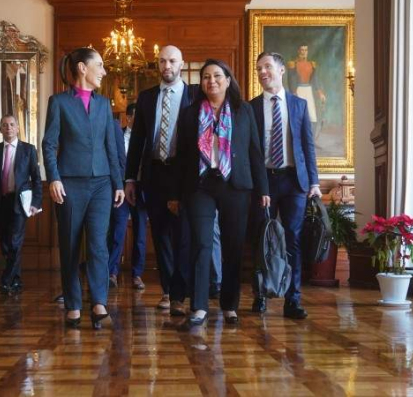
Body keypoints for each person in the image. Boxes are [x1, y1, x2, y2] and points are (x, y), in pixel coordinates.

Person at [172, 59, 269, 326]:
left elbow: (254, 152)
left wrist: (263, 188)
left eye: (217, 76)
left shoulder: (243, 110)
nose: (211, 81)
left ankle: (229, 305)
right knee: (201, 244)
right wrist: (175, 194)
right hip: (200, 186)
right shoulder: (191, 113)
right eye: (205, 77)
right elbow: (181, 157)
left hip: (236, 185)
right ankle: (199, 306)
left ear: (228, 80)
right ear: (200, 83)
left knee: (233, 247)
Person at [42, 47, 125, 329]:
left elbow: (111, 147)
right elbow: (50, 144)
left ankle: (99, 301)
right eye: (99, 65)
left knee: (98, 245)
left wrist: (118, 182)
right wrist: (53, 177)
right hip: (69, 183)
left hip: (102, 183)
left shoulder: (104, 105)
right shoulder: (59, 102)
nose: (103, 71)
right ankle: (73, 304)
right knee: (70, 245)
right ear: (81, 68)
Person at [251, 51, 322, 320]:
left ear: (281, 70)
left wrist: (314, 181)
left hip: (294, 181)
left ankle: (293, 300)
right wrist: (259, 186)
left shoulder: (298, 104)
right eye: (259, 69)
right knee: (262, 239)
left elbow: (307, 146)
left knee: (292, 238)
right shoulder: (252, 107)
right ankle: (260, 295)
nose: (262, 72)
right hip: (264, 181)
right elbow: (251, 151)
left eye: (267, 67)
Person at [124, 45, 194, 315]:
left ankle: (181, 291)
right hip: (154, 173)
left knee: (183, 236)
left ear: (181, 63)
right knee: (161, 235)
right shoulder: (146, 98)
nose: (167, 66)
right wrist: (130, 178)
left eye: (172, 61)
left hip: (184, 174)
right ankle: (168, 291)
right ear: (157, 64)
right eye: (163, 61)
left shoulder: (194, 95)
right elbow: (138, 141)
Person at [0, 115, 43, 294]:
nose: (8, 128)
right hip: (0, 201)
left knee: (15, 240)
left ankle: (7, 279)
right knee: (5, 242)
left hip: (20, 201)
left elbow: (36, 179)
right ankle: (15, 278)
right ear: (0, 129)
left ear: (17, 128)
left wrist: (36, 202)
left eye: (12, 125)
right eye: (5, 125)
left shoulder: (28, 150)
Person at [108, 103, 148, 290]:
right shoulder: (118, 134)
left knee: (140, 232)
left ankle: (137, 275)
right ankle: (112, 273)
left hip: (141, 189)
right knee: (118, 231)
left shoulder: (147, 138)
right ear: (129, 118)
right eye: (135, 117)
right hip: (120, 189)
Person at [286, 44, 326, 135]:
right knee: (298, 116)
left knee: (312, 116)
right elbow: (291, 80)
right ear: (298, 51)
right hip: (298, 90)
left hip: (308, 90)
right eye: (302, 50)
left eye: (305, 50)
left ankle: (310, 140)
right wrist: (294, 93)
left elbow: (315, 79)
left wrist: (320, 93)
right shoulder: (293, 64)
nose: (304, 52)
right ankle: (298, 139)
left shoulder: (312, 64)